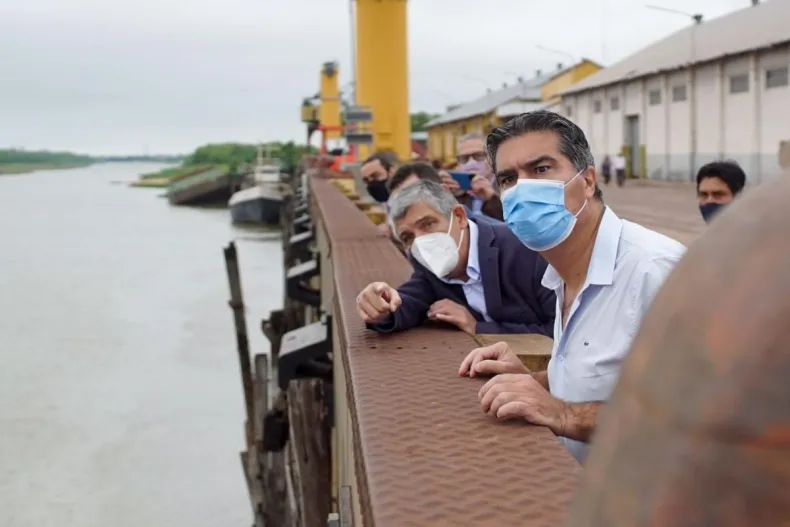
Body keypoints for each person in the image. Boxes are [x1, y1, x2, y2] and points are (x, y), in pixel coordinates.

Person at [458, 110, 686, 463]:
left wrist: (564, 416)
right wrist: (535, 380)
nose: (523, 189)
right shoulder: (562, 271)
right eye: (508, 179)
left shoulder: (655, 271)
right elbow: (606, 380)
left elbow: (699, 413)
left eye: (541, 169)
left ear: (588, 180)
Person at [356, 180, 555, 336]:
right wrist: (381, 306)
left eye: (428, 224)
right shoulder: (428, 266)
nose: (420, 241)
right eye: (408, 237)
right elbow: (410, 301)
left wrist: (478, 328)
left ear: (459, 217)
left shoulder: (525, 248)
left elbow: (561, 333)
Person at [440, 133, 504, 221]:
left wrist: (491, 199)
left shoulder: (508, 185)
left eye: (478, 155)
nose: (471, 162)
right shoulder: (456, 190)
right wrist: (442, 195)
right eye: (464, 158)